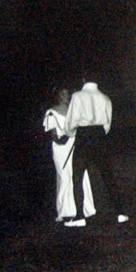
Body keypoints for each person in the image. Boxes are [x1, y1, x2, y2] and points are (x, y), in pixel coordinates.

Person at [63, 79, 128, 227]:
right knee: (108, 176)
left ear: (83, 80)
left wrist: (72, 132)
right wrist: (98, 134)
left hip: (84, 137)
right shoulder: (105, 98)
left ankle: (80, 216)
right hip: (99, 137)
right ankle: (120, 212)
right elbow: (107, 125)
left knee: (77, 177)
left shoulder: (78, 96)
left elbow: (71, 120)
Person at [42, 86, 95, 222]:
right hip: (61, 149)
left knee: (80, 176)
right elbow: (55, 137)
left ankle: (85, 209)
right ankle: (65, 210)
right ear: (58, 96)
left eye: (67, 94)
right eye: (63, 94)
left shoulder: (74, 110)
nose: (66, 96)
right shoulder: (51, 113)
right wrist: (68, 134)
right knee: (65, 177)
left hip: (76, 146)